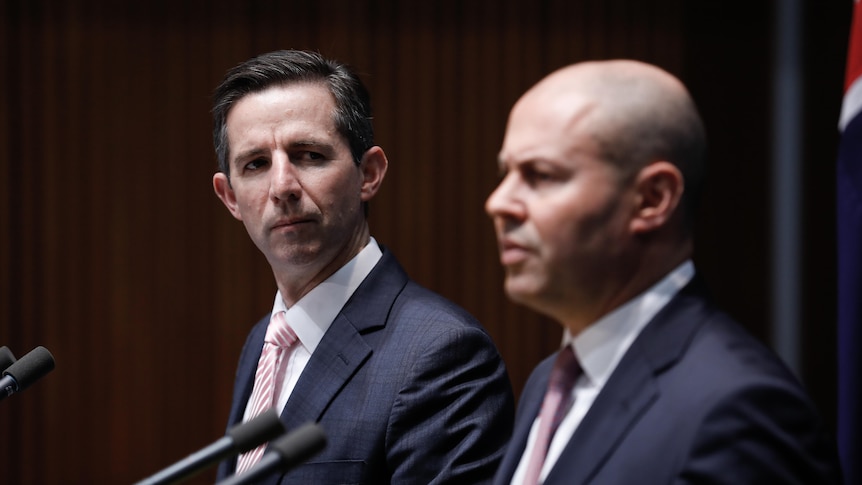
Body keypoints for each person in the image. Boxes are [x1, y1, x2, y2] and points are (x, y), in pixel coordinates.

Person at [487, 59, 842, 484]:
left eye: (541, 175)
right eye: (506, 173)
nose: (499, 202)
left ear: (653, 199)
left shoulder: (738, 409)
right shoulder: (550, 381)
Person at [210, 49, 514, 484]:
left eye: (309, 154)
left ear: (368, 173)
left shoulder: (442, 353)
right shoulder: (266, 340)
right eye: (256, 164)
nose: (282, 186)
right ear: (231, 197)